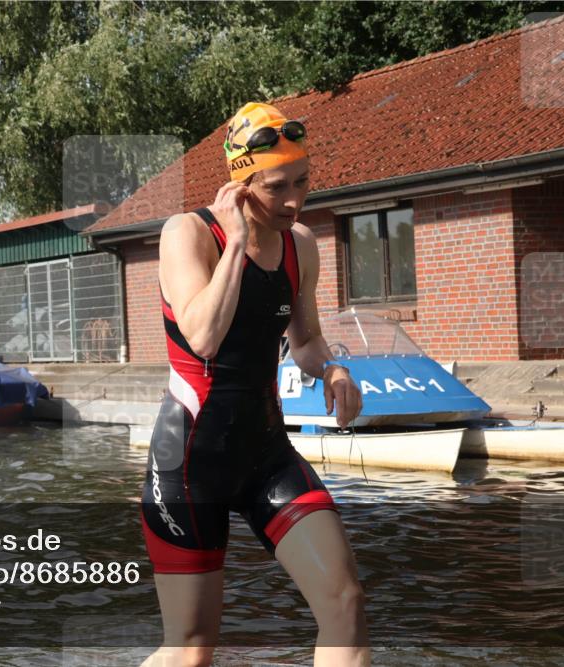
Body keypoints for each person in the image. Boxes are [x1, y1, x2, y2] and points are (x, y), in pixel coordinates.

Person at [139, 102, 368, 667]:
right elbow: (203, 337)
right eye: (276, 187)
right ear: (239, 186)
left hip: (266, 453)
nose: (294, 200)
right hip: (190, 461)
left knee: (345, 605)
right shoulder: (188, 234)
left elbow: (307, 339)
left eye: (303, 181)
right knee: (191, 649)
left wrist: (333, 369)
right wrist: (237, 244)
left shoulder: (301, 245)